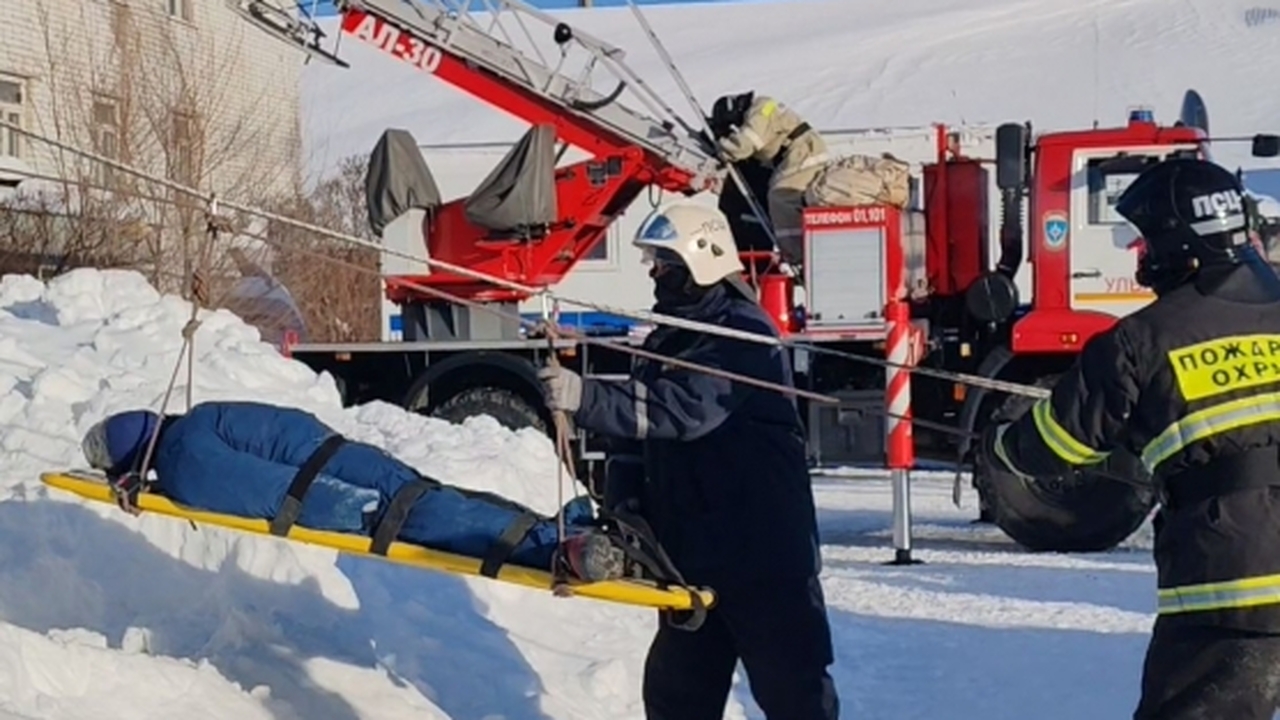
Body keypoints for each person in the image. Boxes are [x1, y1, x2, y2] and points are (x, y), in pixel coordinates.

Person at [976, 157, 1280, 719]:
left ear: (1179, 243)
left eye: (1144, 240)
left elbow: (1055, 447)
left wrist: (1000, 445)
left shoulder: (1142, 338)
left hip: (1238, 581)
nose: (1139, 255)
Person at [538, 202, 839, 720]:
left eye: (665, 262)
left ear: (700, 260)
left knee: (796, 697)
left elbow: (683, 409)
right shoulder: (667, 337)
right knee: (677, 699)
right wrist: (624, 516)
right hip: (691, 559)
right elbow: (639, 440)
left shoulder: (745, 337)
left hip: (762, 558)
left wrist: (585, 397)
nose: (655, 273)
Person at [79, 400, 626, 582]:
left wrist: (350, 511)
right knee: (438, 501)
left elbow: (264, 491)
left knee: (434, 520)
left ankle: (562, 550)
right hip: (345, 458)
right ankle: (567, 531)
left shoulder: (184, 462)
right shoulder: (196, 421)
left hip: (342, 489)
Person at [708, 91, 829, 270]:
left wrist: (722, 147)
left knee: (781, 196)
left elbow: (745, 145)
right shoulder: (760, 109)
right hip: (796, 153)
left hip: (803, 153)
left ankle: (796, 255)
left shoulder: (761, 109)